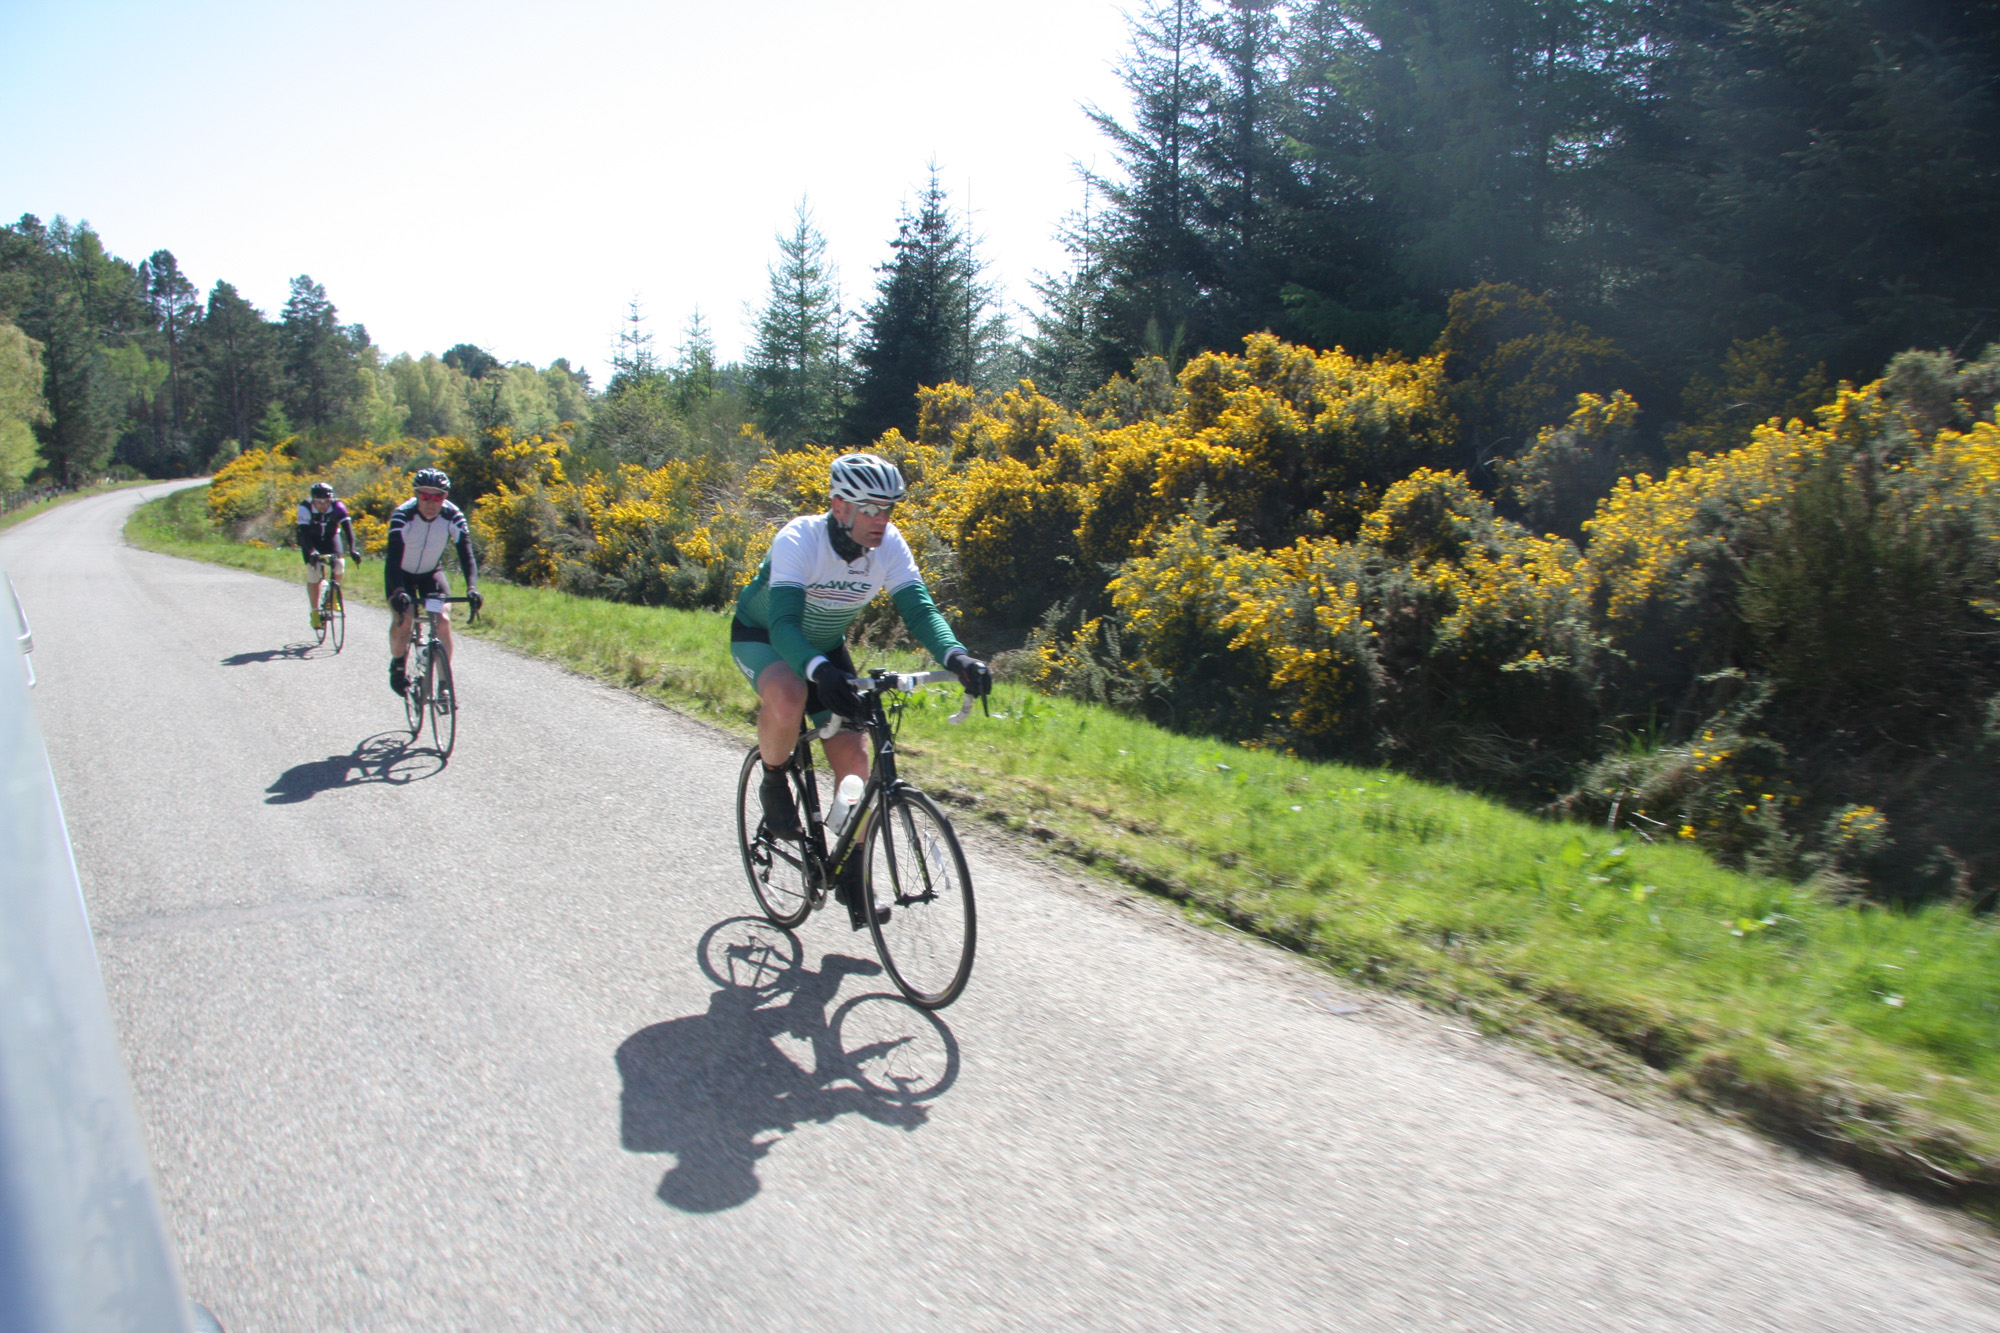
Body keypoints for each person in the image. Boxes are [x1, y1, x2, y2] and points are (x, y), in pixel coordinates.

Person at [730, 452, 991, 929]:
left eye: (888, 509)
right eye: (870, 509)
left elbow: (920, 612)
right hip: (765, 636)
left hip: (825, 648)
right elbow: (785, 624)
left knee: (855, 760)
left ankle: (853, 870)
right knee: (789, 696)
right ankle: (772, 781)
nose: (881, 520)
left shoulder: (889, 546)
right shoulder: (799, 540)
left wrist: (957, 657)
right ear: (839, 505)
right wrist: (818, 672)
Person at [384, 467, 481, 698]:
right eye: (424, 496)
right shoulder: (403, 515)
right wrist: (398, 590)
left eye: (437, 496)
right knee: (405, 617)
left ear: (444, 497)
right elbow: (393, 559)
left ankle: (444, 682)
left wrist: (472, 588)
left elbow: (466, 554)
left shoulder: (453, 515)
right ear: (417, 495)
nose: (430, 502)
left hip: (430, 576)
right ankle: (398, 666)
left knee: (442, 619)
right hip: (401, 574)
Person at [297, 481, 360, 629]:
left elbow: (348, 530)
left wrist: (353, 549)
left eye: (326, 501)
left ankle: (331, 596)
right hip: (311, 540)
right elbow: (304, 533)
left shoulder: (338, 507)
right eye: (318, 502)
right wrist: (312, 551)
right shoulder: (305, 507)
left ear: (331, 499)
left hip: (331, 537)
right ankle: (314, 612)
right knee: (313, 572)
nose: (322, 505)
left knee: (339, 566)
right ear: (313, 500)